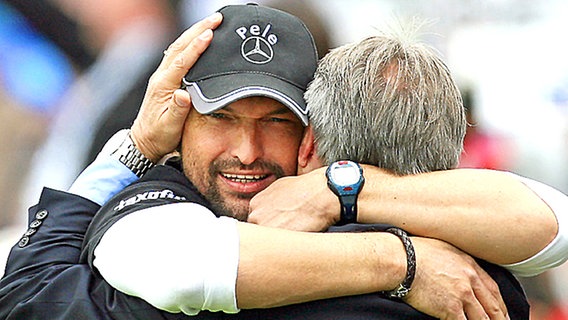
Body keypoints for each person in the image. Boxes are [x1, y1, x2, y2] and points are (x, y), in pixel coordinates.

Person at [0, 3, 564, 320]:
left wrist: (343, 190)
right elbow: (171, 265)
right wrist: (406, 264)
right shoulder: (151, 217)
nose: (247, 152)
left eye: (275, 123)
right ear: (180, 121)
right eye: (221, 118)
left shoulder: (446, 238)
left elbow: (553, 224)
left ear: (314, 137)